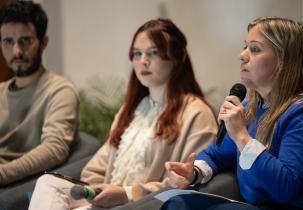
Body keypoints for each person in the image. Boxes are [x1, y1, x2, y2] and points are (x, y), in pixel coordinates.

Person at [28, 18, 218, 209]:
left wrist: (126, 194)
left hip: (143, 204)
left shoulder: (196, 113)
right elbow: (95, 168)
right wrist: (98, 191)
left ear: (178, 57)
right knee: (48, 182)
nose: (143, 61)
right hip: (108, 201)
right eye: (137, 54)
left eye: (154, 52)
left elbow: (184, 185)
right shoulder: (133, 109)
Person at [163, 16, 303, 210]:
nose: (242, 55)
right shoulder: (252, 108)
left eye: (255, 49)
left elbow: (285, 187)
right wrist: (193, 171)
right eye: (245, 47)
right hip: (251, 206)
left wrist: (242, 136)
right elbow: (216, 154)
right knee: (176, 203)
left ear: (284, 60)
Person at [0, 1, 79, 186]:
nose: (16, 51)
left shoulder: (60, 91)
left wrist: (2, 174)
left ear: (43, 43)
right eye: (8, 42)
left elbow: (54, 149)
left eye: (25, 41)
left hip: (15, 185)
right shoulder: (1, 90)